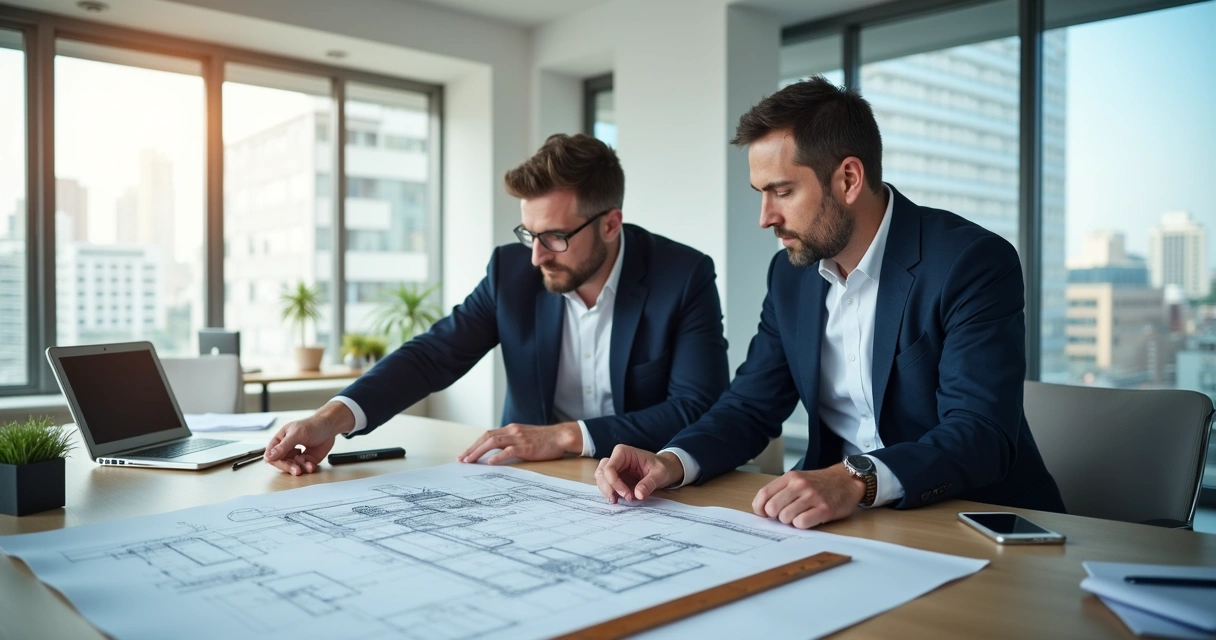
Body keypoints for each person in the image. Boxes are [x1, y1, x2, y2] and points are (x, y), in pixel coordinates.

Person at [594, 78, 1065, 528]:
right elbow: (750, 406)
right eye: (761, 194)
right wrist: (671, 461)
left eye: (782, 191)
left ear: (849, 179)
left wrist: (855, 478)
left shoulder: (970, 262)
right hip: (838, 521)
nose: (765, 218)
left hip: (970, 518)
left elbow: (980, 433)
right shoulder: (790, 275)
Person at [264, 134, 730, 475]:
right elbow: (432, 355)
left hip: (647, 483)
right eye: (529, 233)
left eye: (555, 237)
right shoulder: (512, 272)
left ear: (611, 225)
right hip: (531, 484)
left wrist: (567, 435)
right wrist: (329, 419)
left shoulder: (682, 276)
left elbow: (697, 405)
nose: (537, 255)